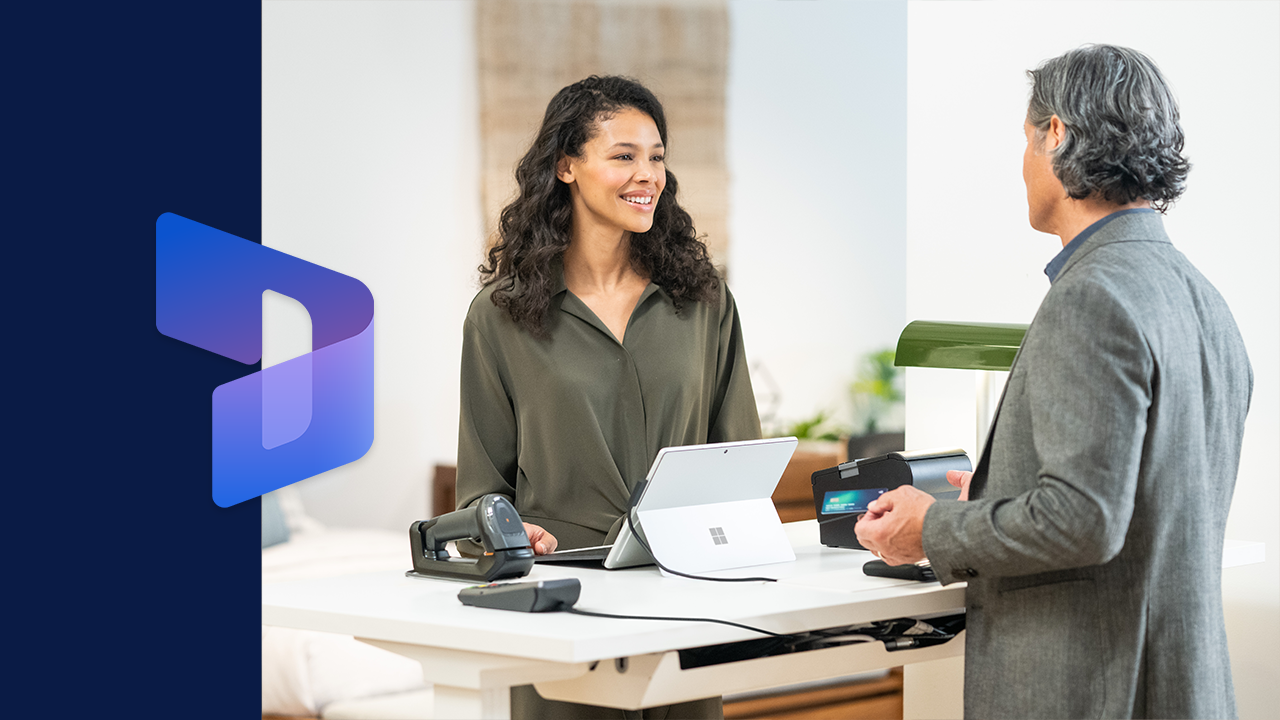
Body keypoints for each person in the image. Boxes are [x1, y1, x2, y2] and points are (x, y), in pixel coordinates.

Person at [855, 45, 1252, 719]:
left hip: (1089, 692)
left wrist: (935, 529)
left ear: (1057, 134)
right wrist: (1000, 491)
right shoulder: (1202, 298)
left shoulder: (1090, 297)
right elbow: (1143, 497)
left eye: (1026, 139)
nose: (1021, 165)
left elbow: (1084, 520)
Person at [455, 75, 760, 720]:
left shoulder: (703, 302)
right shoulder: (499, 316)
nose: (646, 174)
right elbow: (482, 489)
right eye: (623, 155)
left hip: (687, 602)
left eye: (656, 156)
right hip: (561, 609)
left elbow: (740, 460)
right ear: (566, 166)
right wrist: (511, 535)